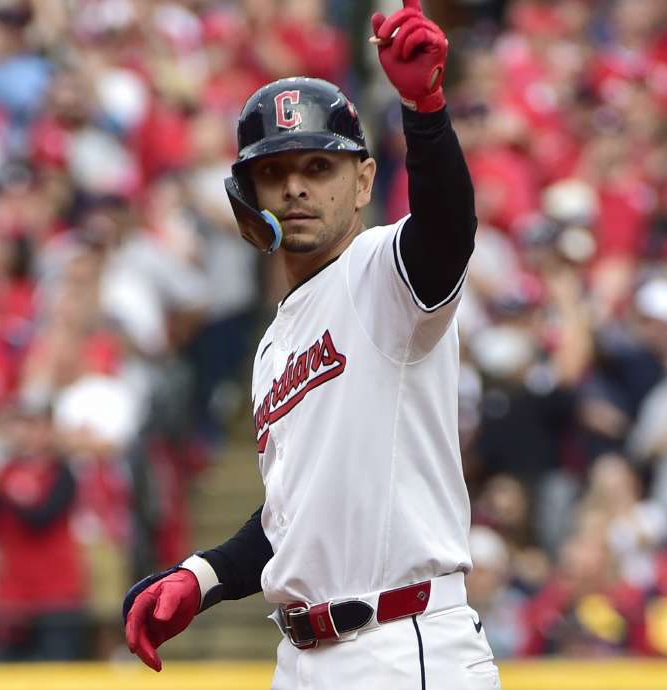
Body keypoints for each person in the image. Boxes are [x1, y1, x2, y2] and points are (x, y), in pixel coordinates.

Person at [123, 2, 500, 687]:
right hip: (301, 659)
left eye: (319, 166)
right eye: (275, 170)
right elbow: (292, 517)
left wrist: (425, 112)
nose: (295, 184)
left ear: (362, 183)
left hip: (402, 642)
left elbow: (448, 230)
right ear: (248, 200)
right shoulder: (271, 348)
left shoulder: (382, 270)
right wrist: (200, 577)